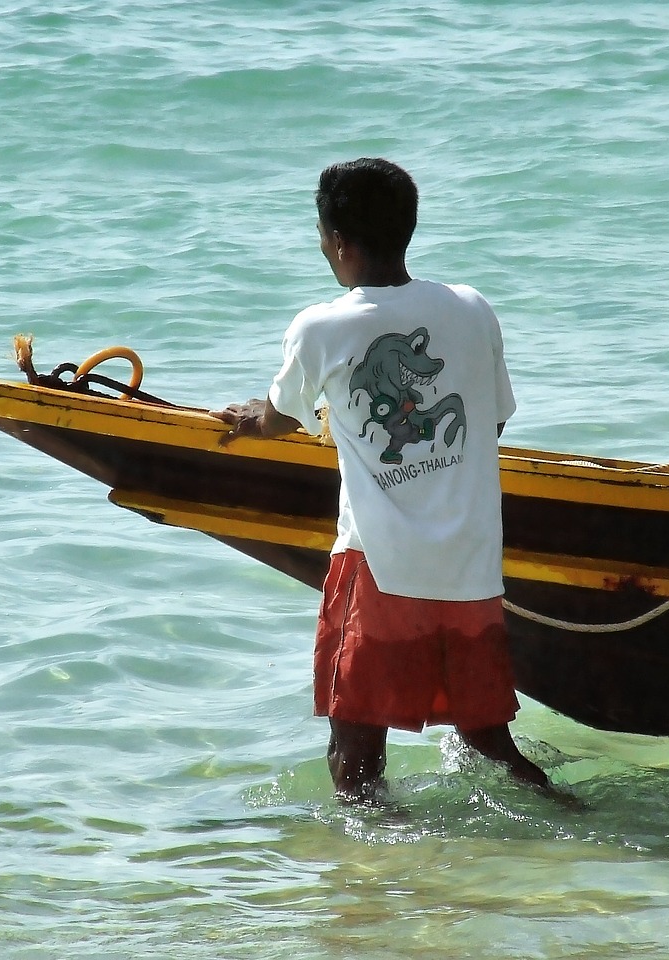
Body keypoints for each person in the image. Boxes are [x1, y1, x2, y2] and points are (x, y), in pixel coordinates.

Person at [211, 158, 560, 802]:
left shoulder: (321, 326)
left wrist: (249, 419)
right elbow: (493, 420)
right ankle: (567, 813)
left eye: (322, 237)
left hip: (378, 564)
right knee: (488, 738)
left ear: (338, 242)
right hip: (470, 567)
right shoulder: (472, 309)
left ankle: (369, 860)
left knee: (355, 753)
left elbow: (278, 418)